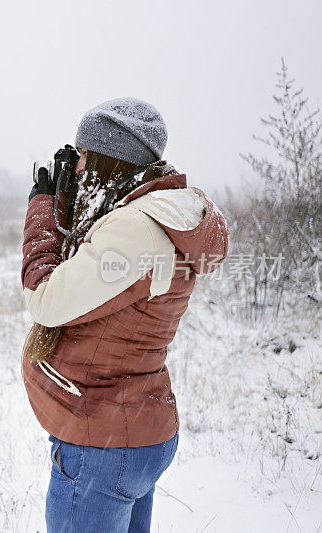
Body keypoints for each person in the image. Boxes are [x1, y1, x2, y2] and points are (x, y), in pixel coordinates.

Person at [21, 97, 229, 533]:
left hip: (102, 446)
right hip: (130, 430)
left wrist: (42, 212)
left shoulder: (135, 229)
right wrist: (64, 206)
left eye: (80, 158)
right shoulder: (157, 219)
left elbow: (46, 298)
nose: (74, 169)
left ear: (105, 161)